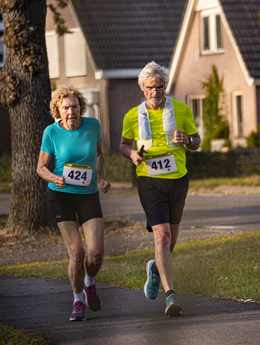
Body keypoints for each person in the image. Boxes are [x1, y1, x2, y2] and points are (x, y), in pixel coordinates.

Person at [120, 61, 201, 316]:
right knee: (162, 236)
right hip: (149, 179)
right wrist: (132, 154)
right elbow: (123, 144)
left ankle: (155, 268)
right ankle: (170, 296)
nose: (156, 91)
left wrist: (187, 140)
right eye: (150, 87)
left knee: (172, 239)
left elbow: (197, 141)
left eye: (160, 86)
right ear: (142, 89)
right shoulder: (132, 116)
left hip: (177, 178)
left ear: (165, 86)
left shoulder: (181, 109)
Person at [37, 86, 111, 322]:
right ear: (58, 109)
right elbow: (40, 168)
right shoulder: (51, 132)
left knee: (96, 254)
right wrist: (54, 177)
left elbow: (99, 154)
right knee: (77, 253)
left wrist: (103, 177)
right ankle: (78, 300)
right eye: (66, 107)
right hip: (61, 197)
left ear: (81, 107)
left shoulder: (93, 126)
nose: (71, 111)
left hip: (88, 195)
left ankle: (89, 282)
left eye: (75, 106)